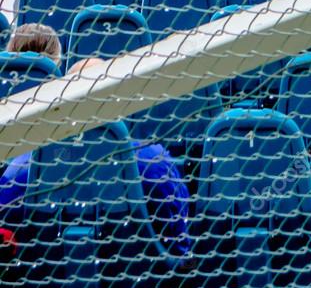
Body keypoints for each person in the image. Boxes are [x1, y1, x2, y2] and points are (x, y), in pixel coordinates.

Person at [0, 58, 191, 257]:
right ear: (119, 103)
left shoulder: (26, 165)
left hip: (45, 283)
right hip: (139, 283)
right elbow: (178, 248)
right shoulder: (154, 162)